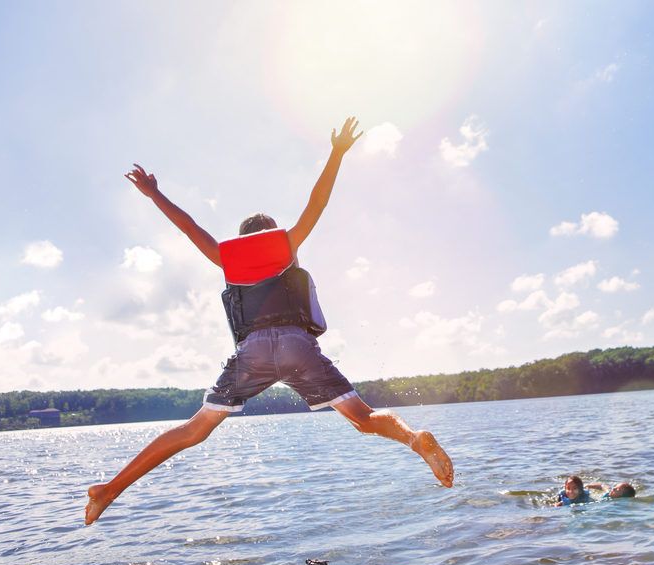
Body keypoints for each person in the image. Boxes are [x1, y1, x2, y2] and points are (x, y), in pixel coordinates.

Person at [85, 117, 454, 525]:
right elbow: (317, 203)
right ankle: (413, 438)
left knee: (194, 430)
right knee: (364, 419)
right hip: (298, 346)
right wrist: (336, 153)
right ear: (273, 236)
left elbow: (188, 227)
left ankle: (109, 490)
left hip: (254, 352)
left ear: (241, 239)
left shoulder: (225, 258)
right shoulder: (288, 245)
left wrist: (154, 192)